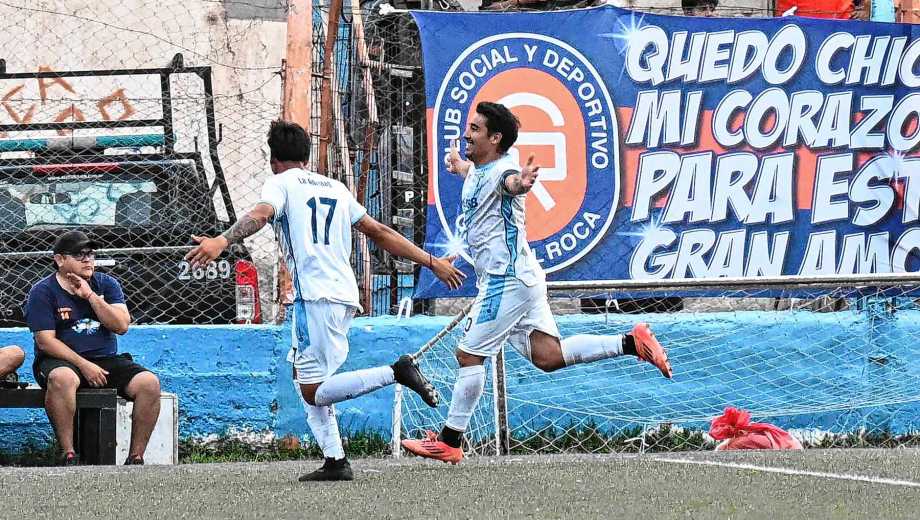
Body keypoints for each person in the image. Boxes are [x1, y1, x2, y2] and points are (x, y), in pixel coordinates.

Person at [185, 120, 465, 482]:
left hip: (314, 297)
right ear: (306, 156)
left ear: (273, 159)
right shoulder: (335, 187)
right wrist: (431, 261)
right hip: (342, 294)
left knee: (313, 391)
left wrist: (222, 241)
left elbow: (260, 214)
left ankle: (396, 371)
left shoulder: (280, 183)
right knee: (304, 375)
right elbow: (379, 231)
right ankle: (335, 460)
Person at [401, 102, 673, 464]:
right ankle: (630, 342)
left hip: (507, 281)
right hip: (521, 279)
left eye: (476, 129)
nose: (467, 134)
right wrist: (459, 166)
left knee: (469, 355)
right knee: (548, 356)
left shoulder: (505, 171)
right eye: (469, 127)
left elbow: (510, 183)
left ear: (495, 139)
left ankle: (450, 440)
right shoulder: (480, 169)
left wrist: (522, 183)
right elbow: (478, 179)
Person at [24, 230, 161, 466]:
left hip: (105, 358)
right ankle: (68, 453)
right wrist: (84, 365)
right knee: (63, 378)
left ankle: (135, 458)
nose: (88, 259)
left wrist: (90, 296)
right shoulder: (42, 291)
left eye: (91, 254)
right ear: (60, 259)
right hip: (61, 361)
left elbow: (121, 325)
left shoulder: (106, 284)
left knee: (149, 383)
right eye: (79, 255)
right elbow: (45, 341)